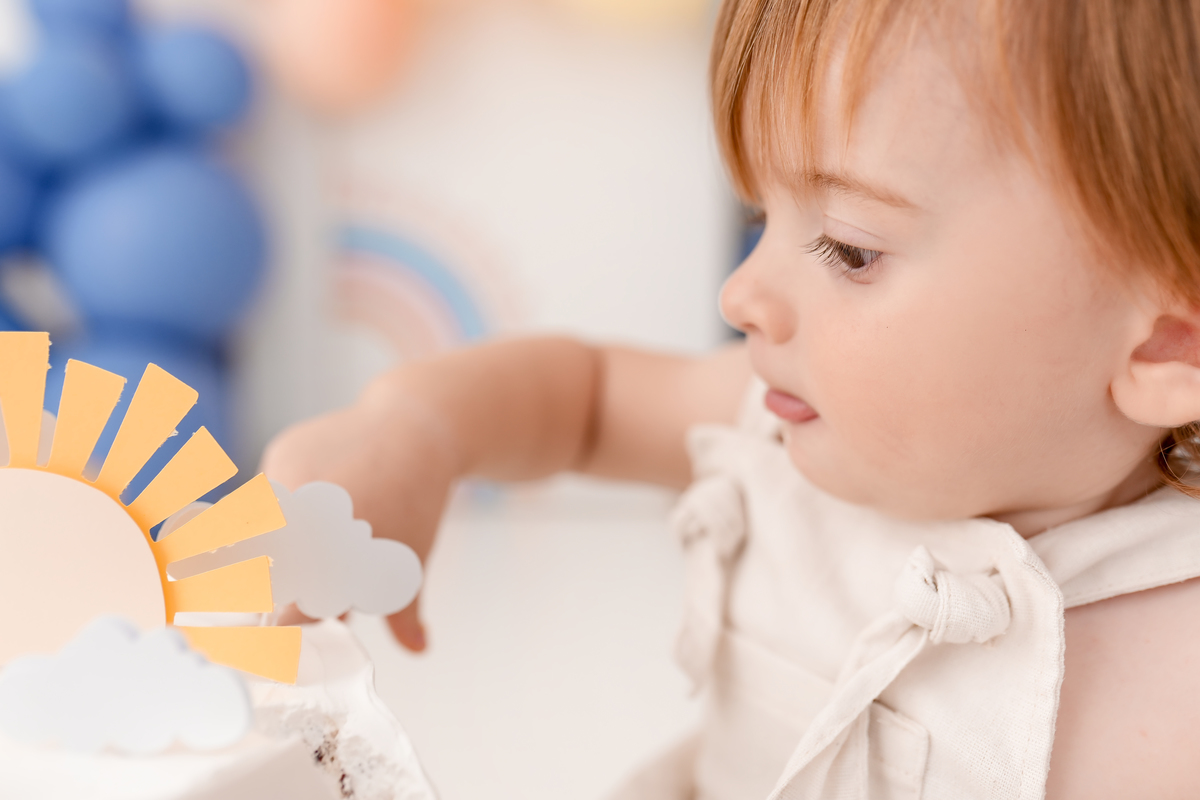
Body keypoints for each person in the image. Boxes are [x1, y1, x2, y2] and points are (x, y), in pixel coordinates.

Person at [262, 0, 1200, 796]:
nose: (741, 294)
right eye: (760, 218)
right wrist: (418, 429)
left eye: (849, 248)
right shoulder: (774, 425)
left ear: (1167, 344)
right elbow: (582, 399)